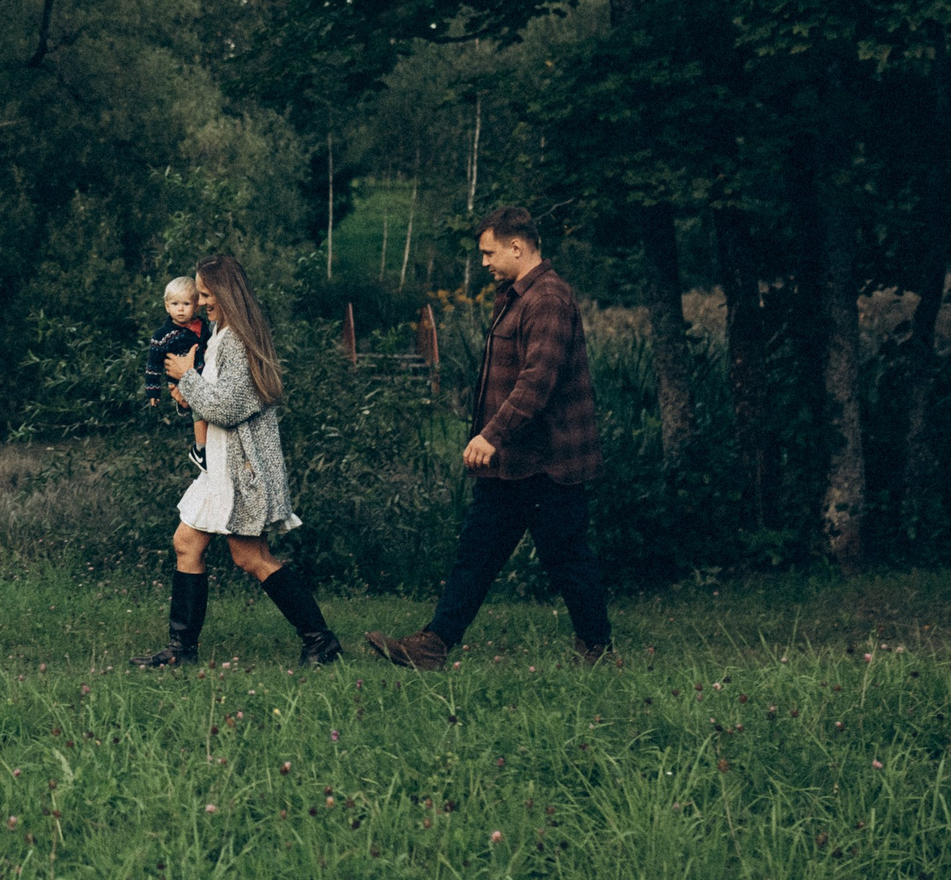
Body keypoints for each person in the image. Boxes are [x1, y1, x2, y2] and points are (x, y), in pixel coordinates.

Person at [367, 205, 612, 670]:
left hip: (547, 462)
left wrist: (491, 435)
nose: (483, 262)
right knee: (477, 553)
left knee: (567, 557)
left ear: (516, 247)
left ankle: (597, 650)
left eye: (489, 252)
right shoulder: (518, 296)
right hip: (512, 462)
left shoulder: (548, 299)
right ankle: (433, 645)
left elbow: (537, 381)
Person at [138, 254, 344, 667]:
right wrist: (186, 395)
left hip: (242, 471)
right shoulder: (218, 335)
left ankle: (320, 641)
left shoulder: (238, 341)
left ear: (226, 293)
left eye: (206, 294)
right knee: (186, 543)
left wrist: (186, 376)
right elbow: (212, 400)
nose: (200, 302)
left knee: (251, 557)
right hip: (218, 466)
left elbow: (229, 407)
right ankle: (181, 650)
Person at [143, 275, 212, 470]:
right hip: (180, 382)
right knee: (200, 412)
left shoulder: (202, 326)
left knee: (209, 412)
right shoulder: (162, 335)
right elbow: (153, 365)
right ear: (167, 307)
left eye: (186, 304)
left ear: (196, 306)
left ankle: (208, 447)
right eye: (175, 304)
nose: (180, 309)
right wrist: (153, 391)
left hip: (201, 377)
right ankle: (200, 449)